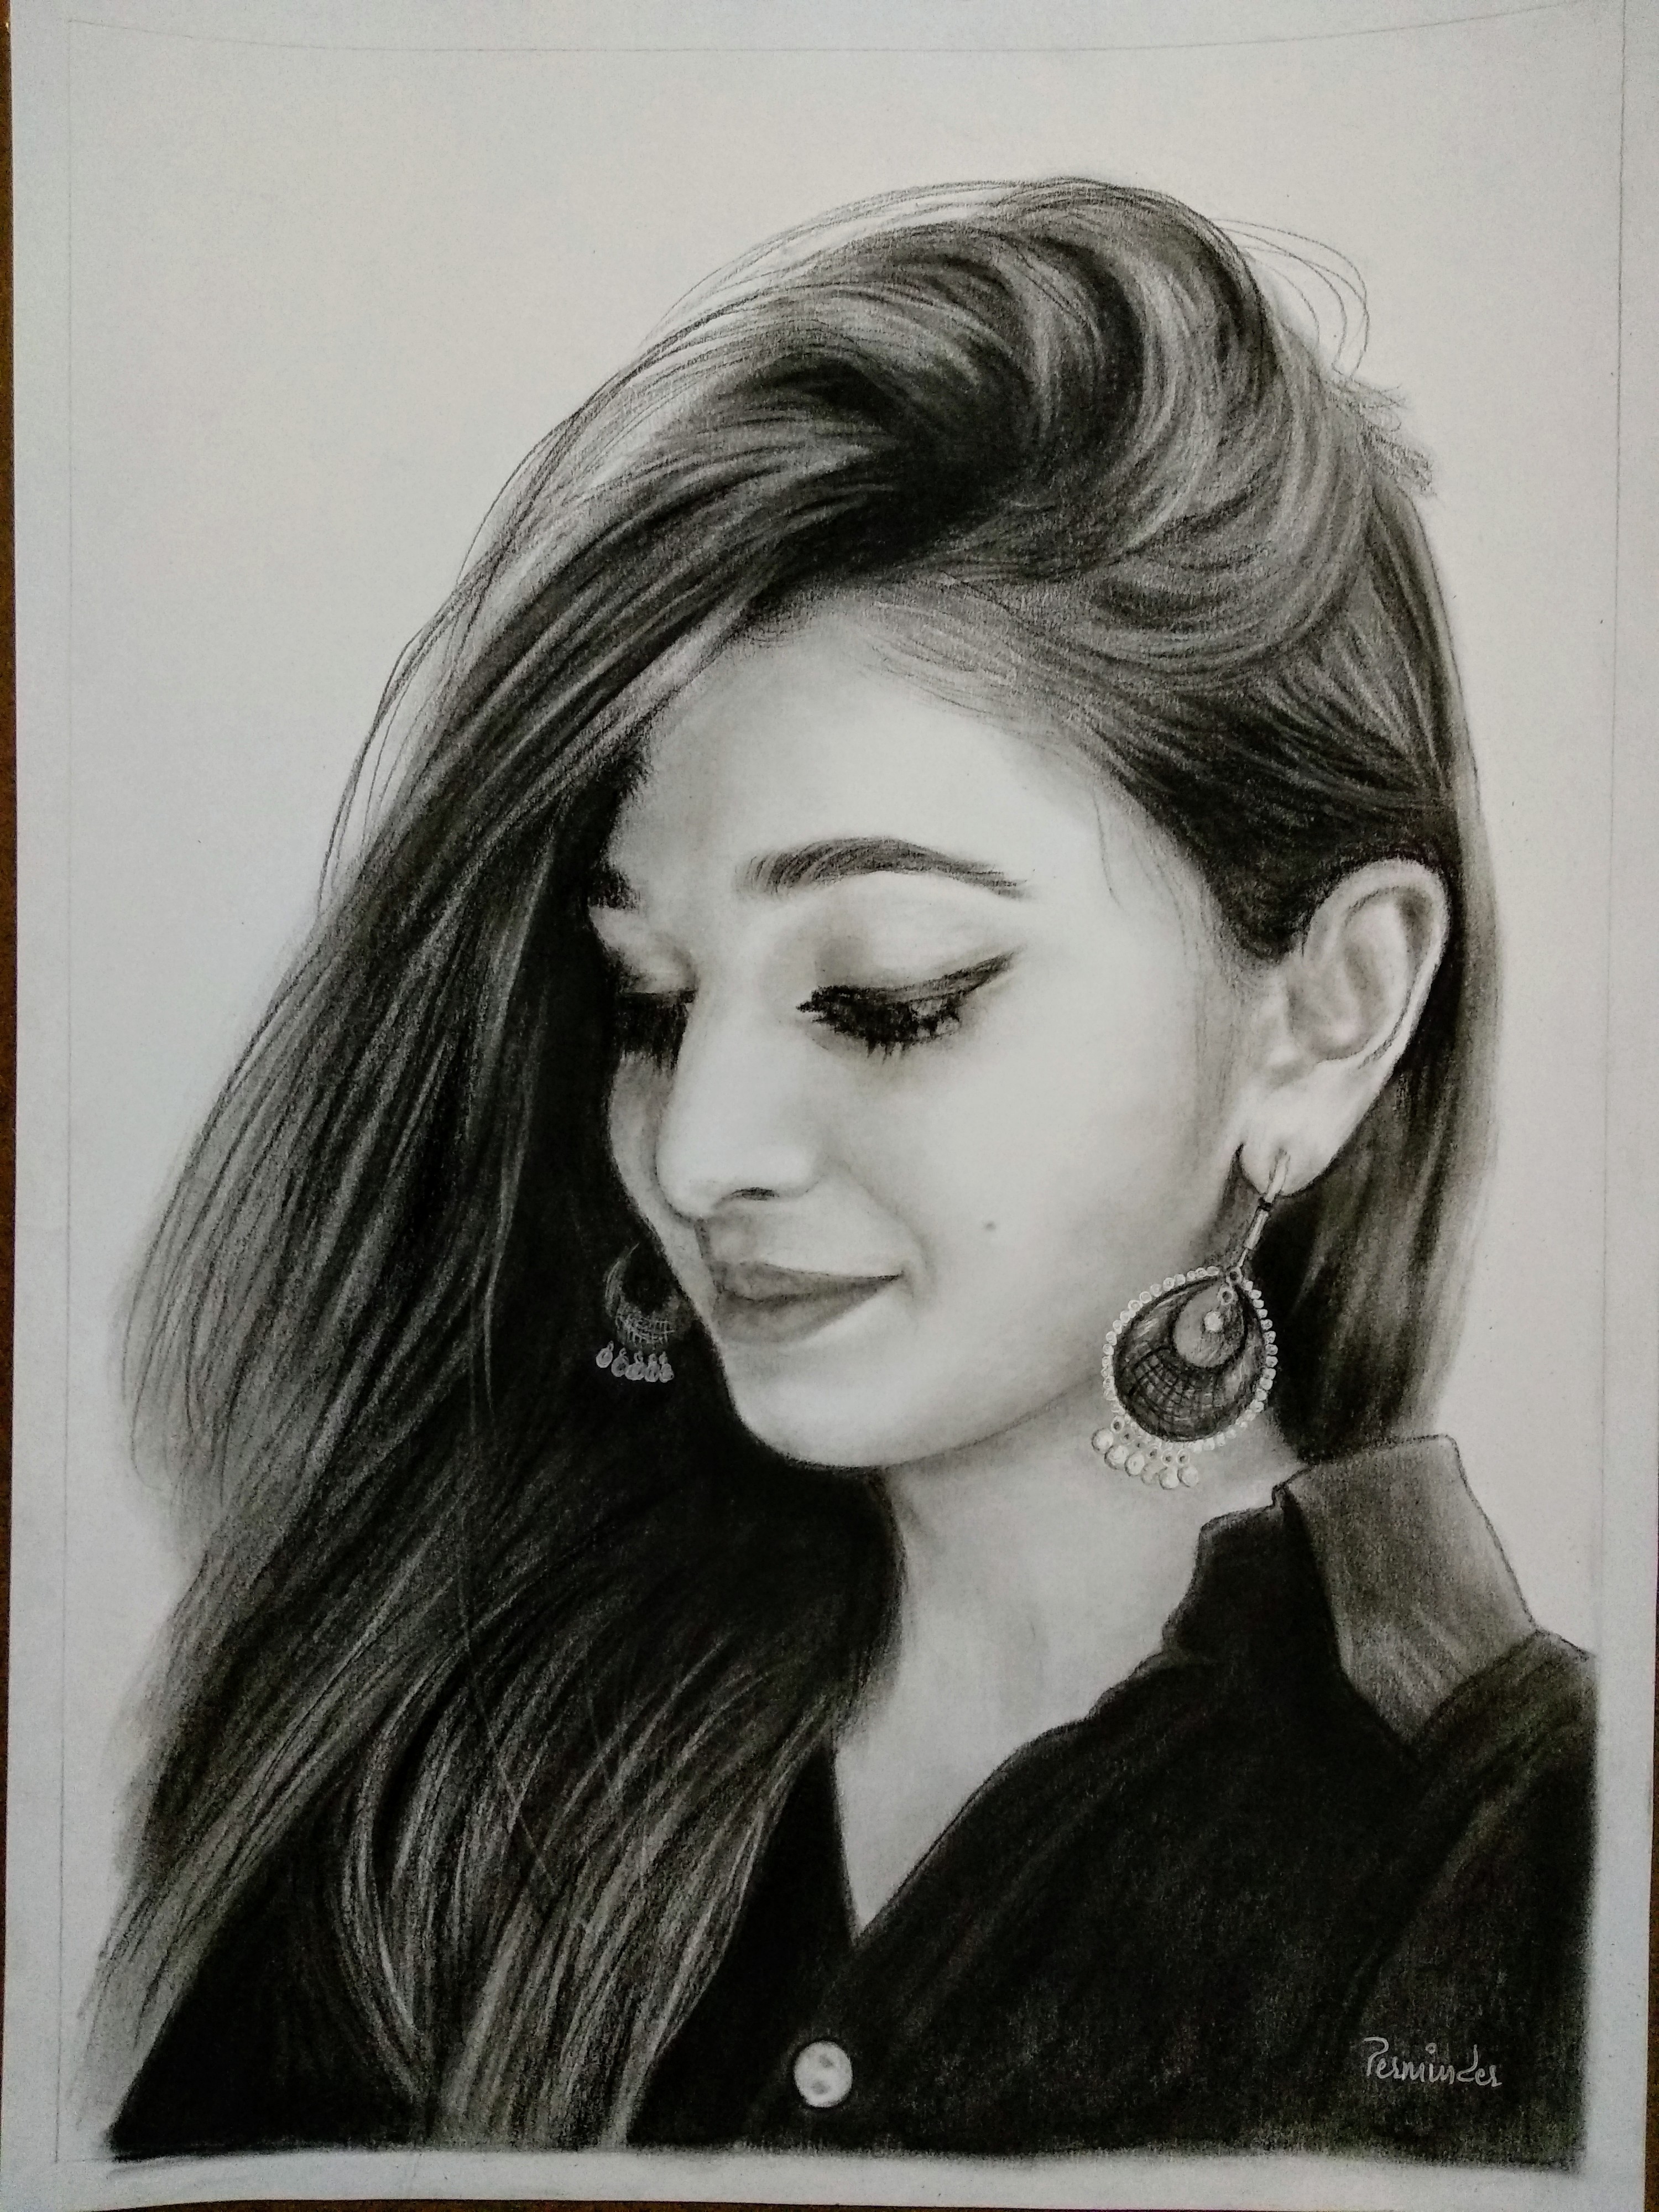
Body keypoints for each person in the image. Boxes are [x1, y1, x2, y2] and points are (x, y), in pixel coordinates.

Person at [99, 179, 1590, 2167]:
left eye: (890, 998)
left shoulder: (1532, 1857)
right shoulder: (455, 1769)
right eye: (648, 1003)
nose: (696, 1150)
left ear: (1327, 1014)